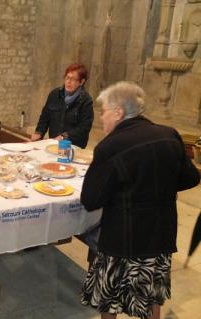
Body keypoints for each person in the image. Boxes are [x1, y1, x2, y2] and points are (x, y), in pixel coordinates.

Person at [80, 82, 200, 319]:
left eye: (103, 112)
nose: (101, 118)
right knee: (151, 294)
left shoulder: (110, 146)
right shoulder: (170, 135)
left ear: (118, 112)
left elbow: (91, 199)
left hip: (123, 238)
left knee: (109, 297)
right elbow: (191, 178)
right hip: (160, 235)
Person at [31, 63, 93, 148]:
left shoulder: (86, 101)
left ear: (81, 82)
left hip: (73, 146)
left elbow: (84, 127)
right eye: (67, 77)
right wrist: (39, 132)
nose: (68, 82)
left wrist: (64, 136)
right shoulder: (55, 94)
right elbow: (45, 116)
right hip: (54, 144)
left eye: (73, 79)